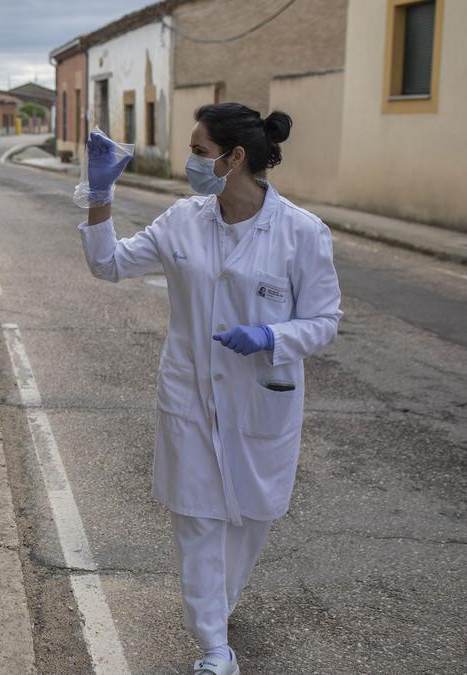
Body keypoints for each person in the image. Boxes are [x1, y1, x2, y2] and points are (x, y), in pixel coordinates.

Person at [76, 103, 342, 675]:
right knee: (198, 518)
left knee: (249, 517)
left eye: (198, 151)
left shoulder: (301, 232)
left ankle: (218, 610)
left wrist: (272, 334)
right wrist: (99, 195)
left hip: (260, 396)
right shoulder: (181, 221)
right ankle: (214, 648)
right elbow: (109, 265)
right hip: (190, 395)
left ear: (235, 157)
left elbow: (323, 321)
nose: (189, 162)